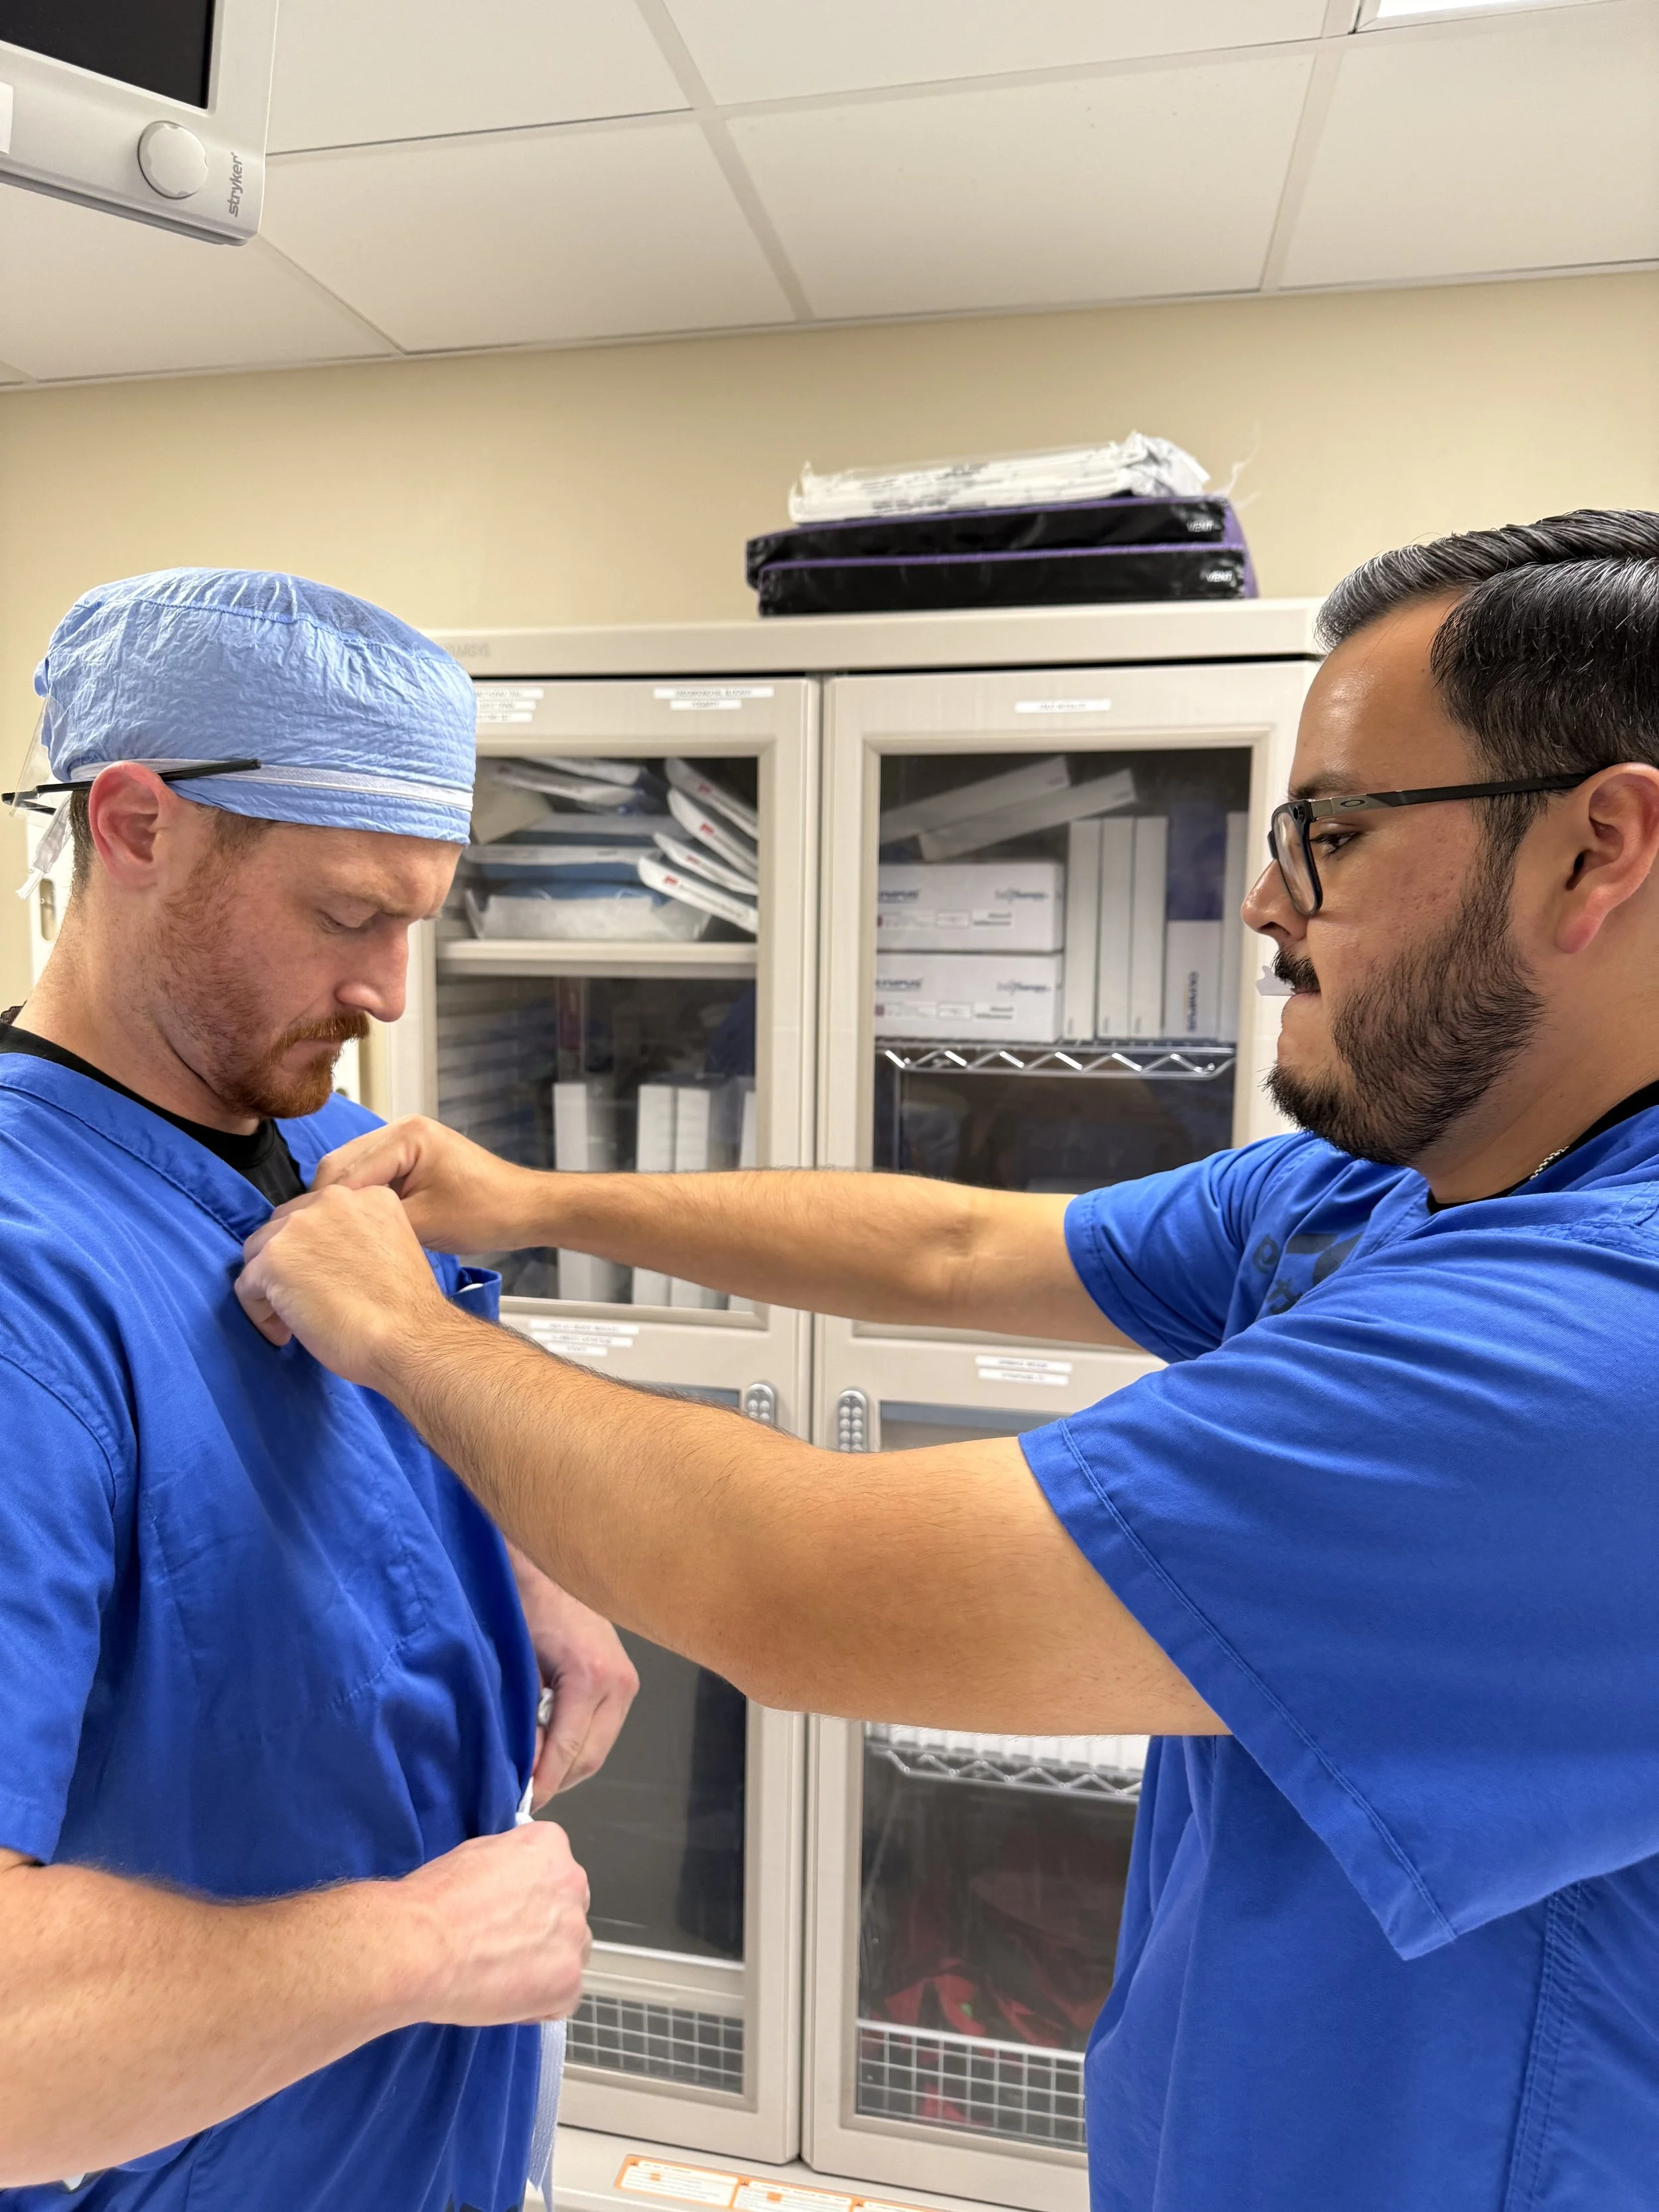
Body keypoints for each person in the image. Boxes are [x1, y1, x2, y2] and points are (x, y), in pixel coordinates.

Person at [238, 509, 1659, 2211]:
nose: (1269, 901)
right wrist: (529, 1194)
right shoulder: (1408, 1175)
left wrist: (396, 1329)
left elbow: (801, 1582)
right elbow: (956, 1246)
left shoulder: (1594, 1346)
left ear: (1598, 849)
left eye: (1332, 832)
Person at [0, 569, 639, 2210]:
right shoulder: (27, 1276)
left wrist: (515, 1556)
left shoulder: (307, 1156)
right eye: (350, 915)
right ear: (136, 824)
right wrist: (420, 1942)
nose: (388, 993)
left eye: (418, 921)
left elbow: (349, 1457)